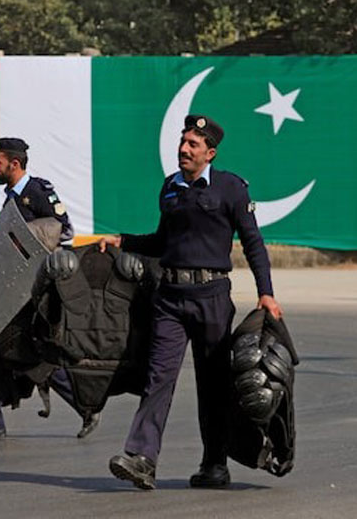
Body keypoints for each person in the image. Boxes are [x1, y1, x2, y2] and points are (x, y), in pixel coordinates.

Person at [101, 114, 283, 491]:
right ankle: (142, 458)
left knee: (213, 385)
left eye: (193, 145)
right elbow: (161, 242)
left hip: (212, 297)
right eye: (183, 142)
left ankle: (215, 465)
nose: (183, 149)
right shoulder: (170, 187)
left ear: (210, 152)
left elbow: (253, 243)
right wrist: (125, 241)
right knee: (158, 378)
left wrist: (266, 292)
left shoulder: (231, 188)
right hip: (170, 298)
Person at [0, 137, 100, 441]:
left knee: (33, 357)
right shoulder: (11, 199)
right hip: (7, 294)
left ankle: (87, 405)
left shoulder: (37, 191)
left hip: (29, 296)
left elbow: (63, 230)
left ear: (14, 164)